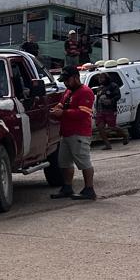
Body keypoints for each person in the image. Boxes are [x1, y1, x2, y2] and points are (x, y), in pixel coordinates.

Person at [49, 68, 97, 201]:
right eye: (63, 81)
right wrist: (57, 110)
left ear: (76, 77)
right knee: (64, 162)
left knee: (84, 162)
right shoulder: (69, 91)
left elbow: (83, 113)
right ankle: (67, 187)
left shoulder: (86, 92)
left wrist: (63, 113)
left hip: (79, 133)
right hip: (66, 133)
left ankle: (89, 189)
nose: (65, 83)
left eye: (67, 80)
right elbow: (61, 105)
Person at [91, 73, 129, 150]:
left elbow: (118, 96)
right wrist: (96, 110)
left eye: (102, 78)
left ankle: (125, 135)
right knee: (100, 127)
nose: (100, 80)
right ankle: (107, 144)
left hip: (110, 110)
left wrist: (111, 101)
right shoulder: (100, 88)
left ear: (106, 78)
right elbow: (98, 99)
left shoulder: (113, 86)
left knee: (112, 126)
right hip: (100, 111)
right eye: (99, 78)